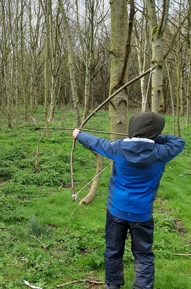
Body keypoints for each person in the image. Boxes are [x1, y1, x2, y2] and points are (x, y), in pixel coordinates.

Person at [72, 111, 185, 289]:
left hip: (116, 209)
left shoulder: (118, 148)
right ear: (156, 132)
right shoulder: (161, 152)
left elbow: (96, 142)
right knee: (143, 254)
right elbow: (179, 141)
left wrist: (78, 134)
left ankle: (113, 285)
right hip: (141, 213)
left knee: (113, 250)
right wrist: (153, 137)